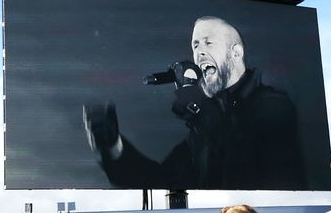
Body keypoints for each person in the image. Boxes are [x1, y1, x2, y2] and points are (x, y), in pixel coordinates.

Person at [83, 16, 308, 190]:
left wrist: (192, 97)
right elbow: (161, 180)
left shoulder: (273, 104)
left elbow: (237, 154)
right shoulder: (203, 129)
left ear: (236, 53)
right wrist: (113, 147)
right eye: (195, 45)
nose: (199, 52)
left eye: (208, 43)